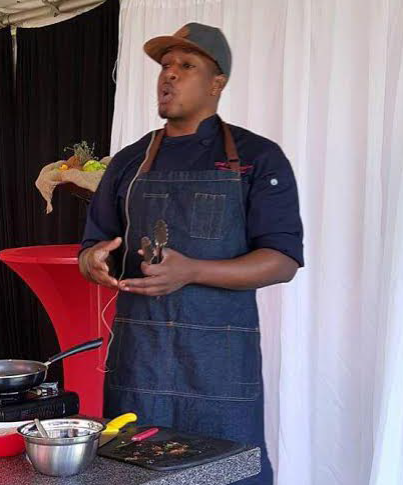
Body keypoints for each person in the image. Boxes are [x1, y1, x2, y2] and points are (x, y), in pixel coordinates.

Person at [78, 23, 303, 484]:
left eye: (186, 65)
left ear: (217, 83)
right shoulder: (129, 162)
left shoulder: (258, 158)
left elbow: (282, 260)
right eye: (165, 66)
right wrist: (92, 260)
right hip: (138, 359)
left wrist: (193, 270)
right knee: (129, 470)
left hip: (219, 360)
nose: (170, 75)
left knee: (229, 471)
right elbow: (90, 245)